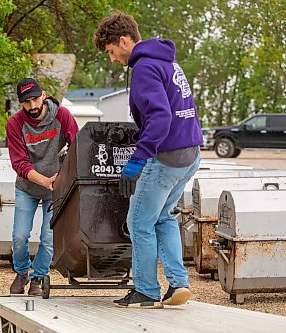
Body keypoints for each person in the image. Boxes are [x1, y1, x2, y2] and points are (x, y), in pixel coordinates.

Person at [94, 12, 203, 308]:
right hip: (190, 152)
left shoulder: (143, 67)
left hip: (166, 158)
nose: (113, 59)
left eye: (111, 51)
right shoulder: (166, 61)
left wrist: (137, 160)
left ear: (124, 40)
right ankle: (178, 284)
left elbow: (161, 116)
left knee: (139, 221)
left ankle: (146, 290)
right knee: (163, 216)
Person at [6, 78, 79, 296]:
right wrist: (44, 180)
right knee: (20, 236)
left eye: (36, 99)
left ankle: (37, 277)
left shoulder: (62, 115)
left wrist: (63, 175)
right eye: (26, 102)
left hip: (56, 188)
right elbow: (19, 163)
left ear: (44, 95)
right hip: (27, 187)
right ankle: (21, 273)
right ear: (21, 103)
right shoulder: (15, 124)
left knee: (49, 239)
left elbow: (76, 145)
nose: (33, 106)